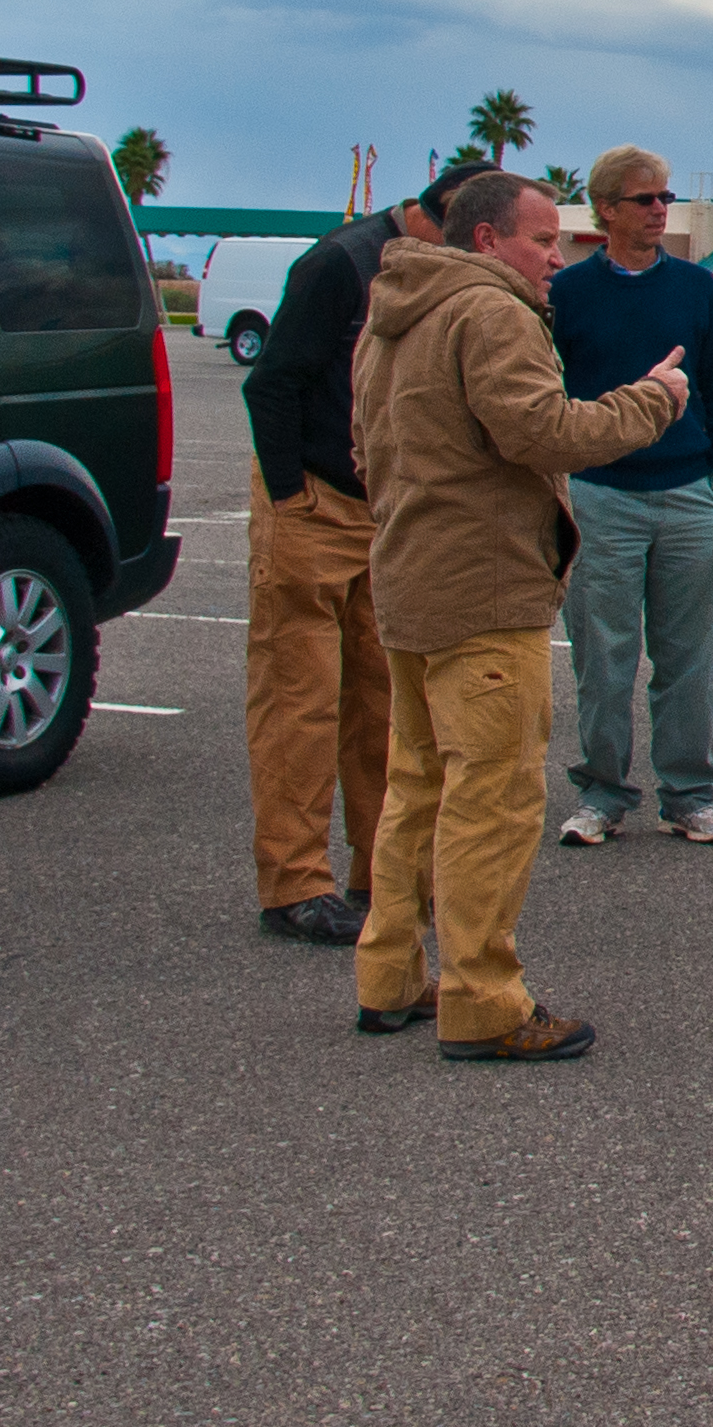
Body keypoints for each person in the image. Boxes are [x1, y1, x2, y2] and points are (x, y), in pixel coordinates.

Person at [349, 172, 689, 1061]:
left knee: (417, 788)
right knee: (492, 802)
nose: (556, 258)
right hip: (484, 595)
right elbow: (545, 434)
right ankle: (484, 1003)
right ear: (487, 239)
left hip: (409, 583)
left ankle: (389, 977)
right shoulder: (490, 314)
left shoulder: (393, 316)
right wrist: (653, 400)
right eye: (541, 240)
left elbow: (366, 451)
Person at [239, 161, 492, 946]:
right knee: (300, 704)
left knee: (386, 708)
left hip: (384, 510)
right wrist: (291, 499)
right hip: (313, 501)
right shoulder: (339, 265)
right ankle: (294, 885)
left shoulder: (437, 274)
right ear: (437, 218)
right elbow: (270, 384)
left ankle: (380, 877)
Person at [548, 145, 713, 848]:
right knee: (602, 657)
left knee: (691, 657)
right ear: (606, 209)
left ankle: (690, 796)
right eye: (645, 199)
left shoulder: (695, 288)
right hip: (601, 497)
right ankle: (601, 795)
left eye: (666, 197)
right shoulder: (567, 294)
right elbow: (548, 397)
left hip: (691, 495)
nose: (661, 209)